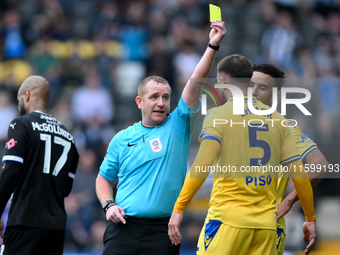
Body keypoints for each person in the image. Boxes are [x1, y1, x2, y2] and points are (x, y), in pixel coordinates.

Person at [95, 20, 227, 255]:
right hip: (122, 229)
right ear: (139, 102)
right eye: (154, 96)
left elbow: (196, 80)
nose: (161, 102)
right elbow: (103, 179)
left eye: (165, 97)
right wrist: (109, 205)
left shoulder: (179, 125)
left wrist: (212, 46)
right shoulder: (121, 138)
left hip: (163, 231)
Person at [168, 54, 317, 255]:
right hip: (266, 226)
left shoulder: (218, 116)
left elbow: (202, 166)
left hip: (227, 220)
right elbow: (300, 175)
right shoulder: (280, 121)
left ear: (221, 81)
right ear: (249, 82)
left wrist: (179, 208)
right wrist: (310, 218)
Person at [251, 63, 327, 255]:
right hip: (225, 223)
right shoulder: (224, 122)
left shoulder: (285, 129)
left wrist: (289, 201)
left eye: (262, 87)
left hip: (267, 226)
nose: (253, 91)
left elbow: (319, 164)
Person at [0, 75, 79, 255]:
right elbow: (66, 188)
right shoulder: (68, 135)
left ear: (26, 95)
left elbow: (11, 172)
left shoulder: (21, 124)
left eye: (19, 98)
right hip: (56, 227)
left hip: (25, 222)